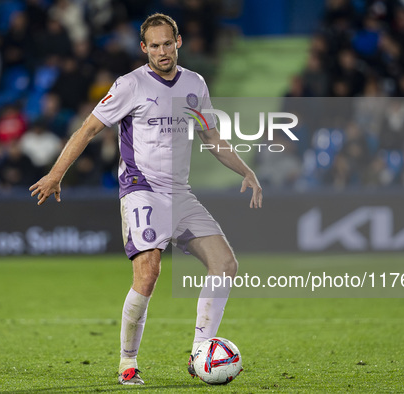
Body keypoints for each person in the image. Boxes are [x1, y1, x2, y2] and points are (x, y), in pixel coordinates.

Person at [29, 13, 262, 385]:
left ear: (178, 42)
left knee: (225, 264)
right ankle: (128, 362)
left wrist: (246, 171)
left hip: (180, 194)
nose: (162, 51)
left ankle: (200, 352)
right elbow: (88, 129)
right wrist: (56, 175)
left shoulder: (195, 84)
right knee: (149, 273)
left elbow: (210, 138)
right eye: (154, 45)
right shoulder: (129, 85)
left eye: (167, 43)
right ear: (144, 48)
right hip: (142, 189)